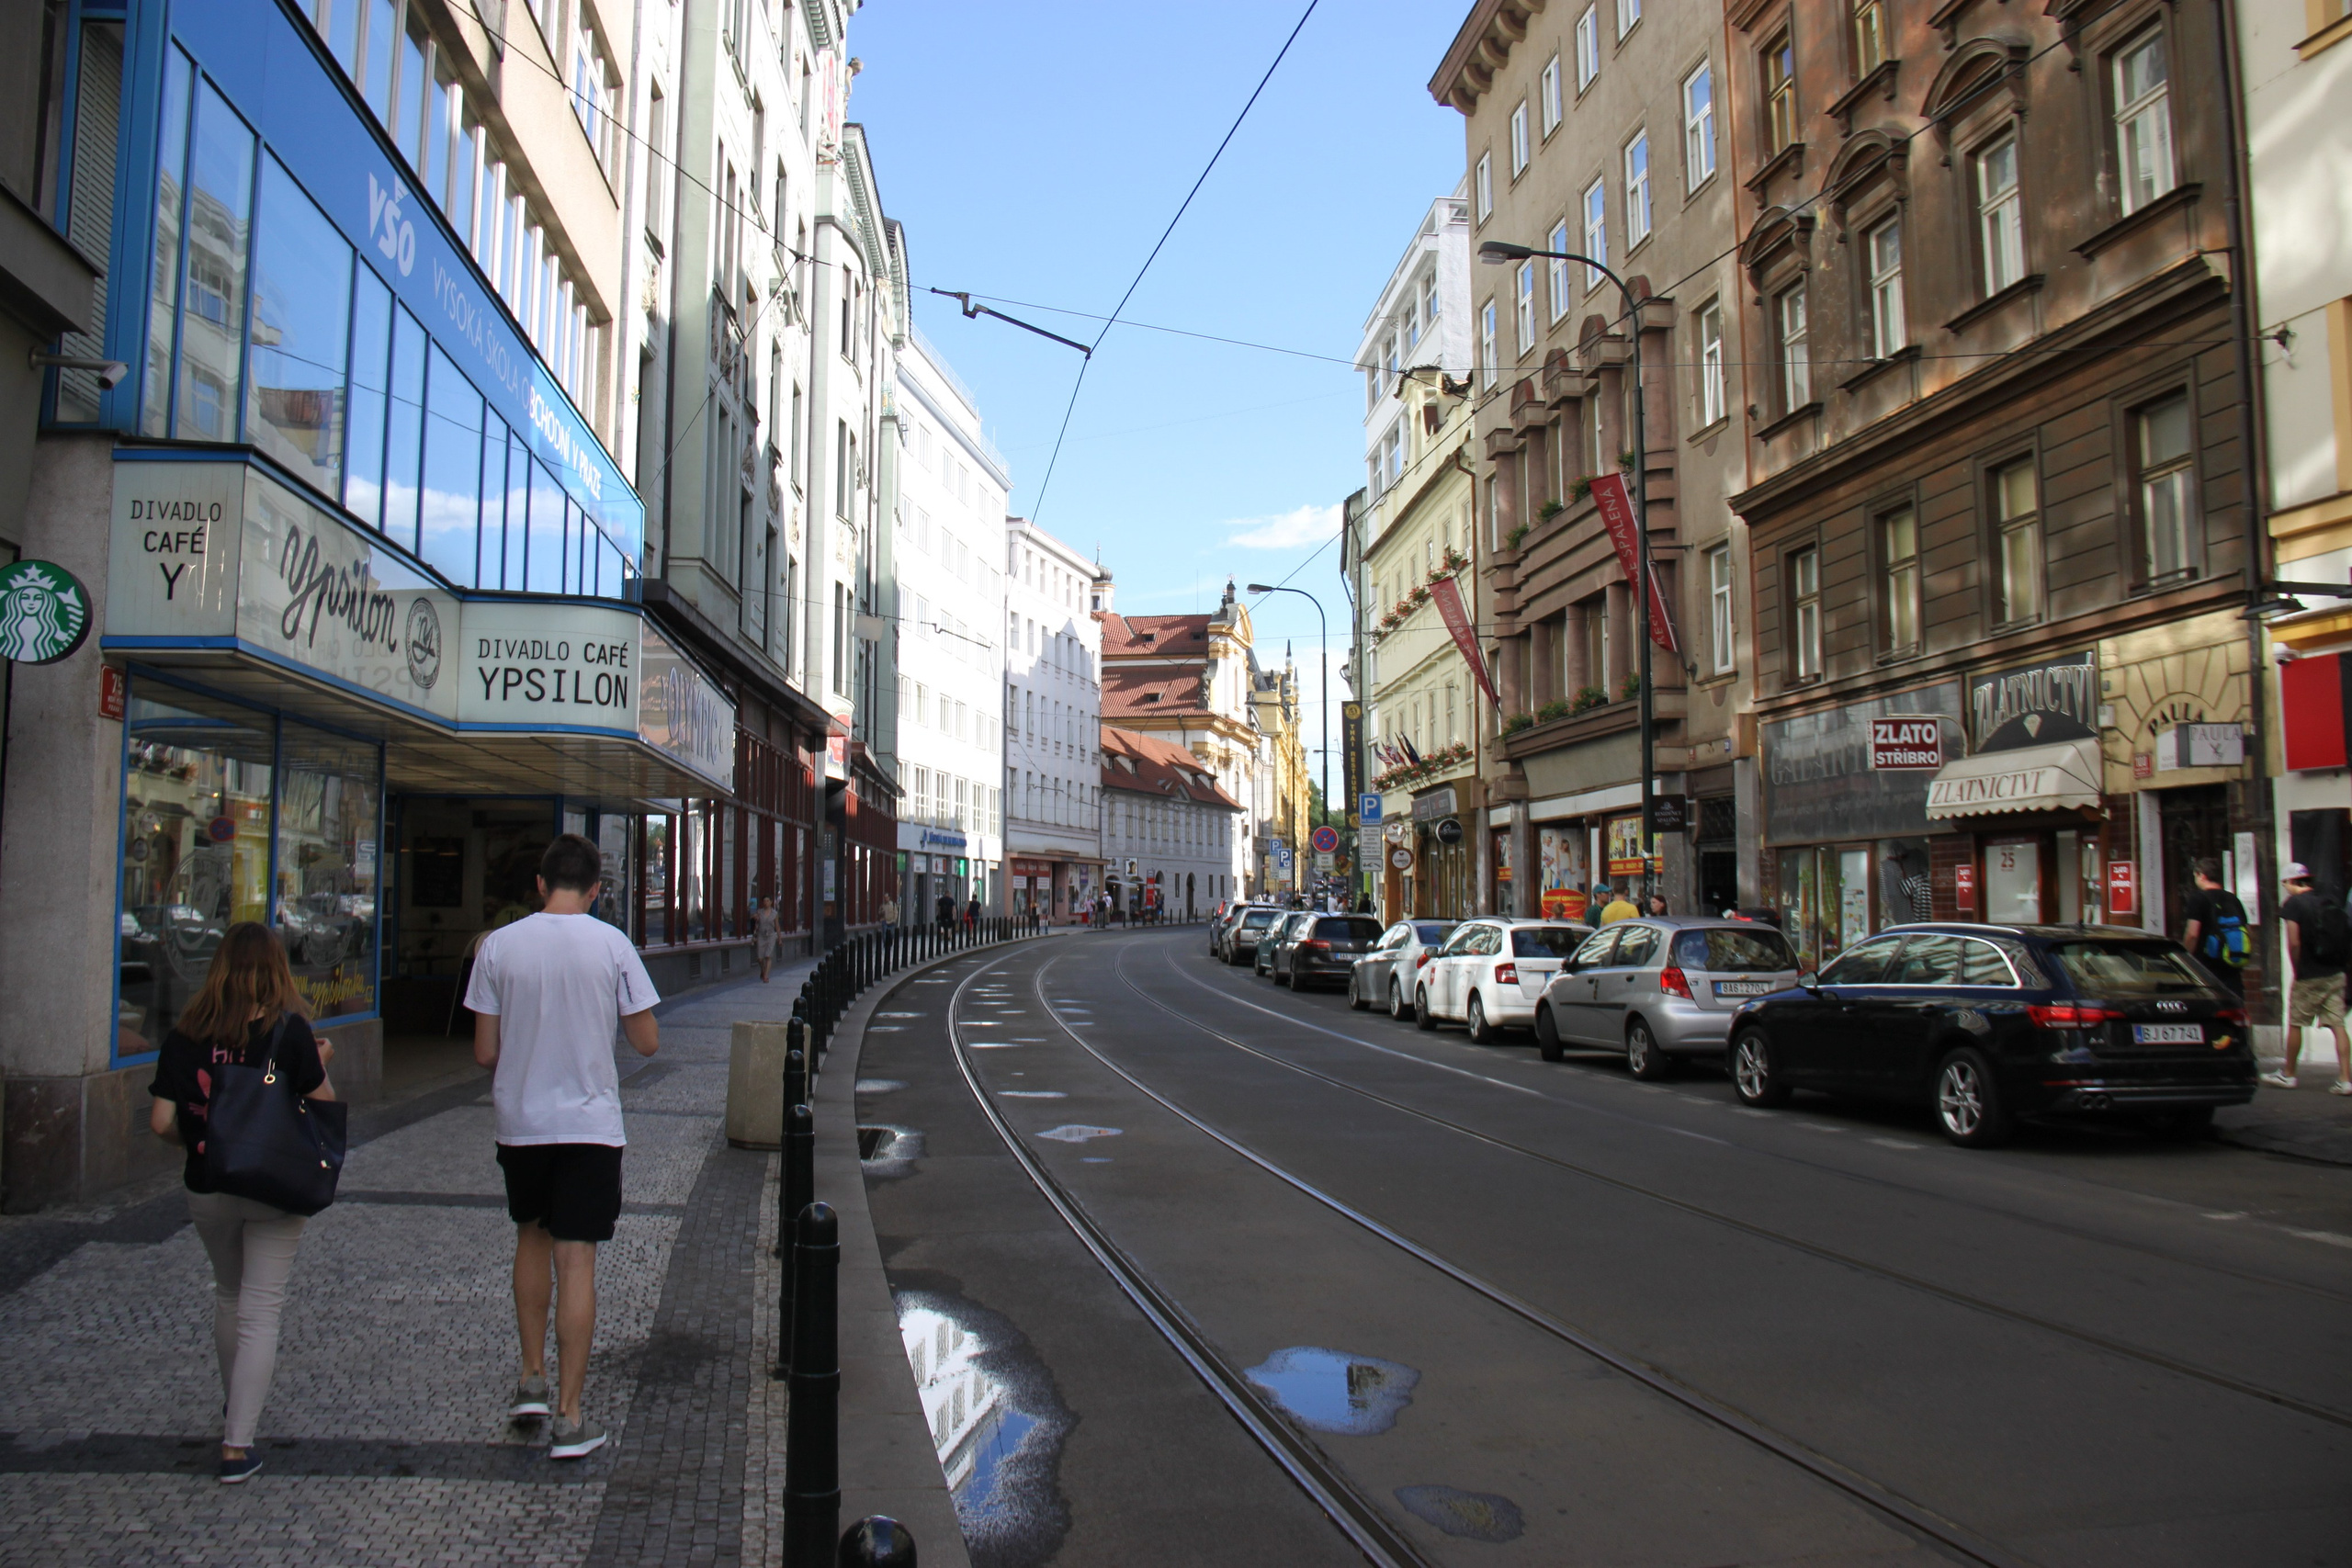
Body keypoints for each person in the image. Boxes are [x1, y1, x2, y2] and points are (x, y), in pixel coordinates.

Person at [467, 834, 662, 1459]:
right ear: (597, 888)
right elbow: (648, 1041)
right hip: (589, 1126)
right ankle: (572, 1417)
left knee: (531, 1235)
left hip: (521, 1121)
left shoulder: (499, 946)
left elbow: (485, 1051)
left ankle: (531, 1378)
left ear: (541, 882)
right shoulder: (613, 944)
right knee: (576, 1259)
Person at [148, 922, 337, 1483]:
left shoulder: (186, 1034)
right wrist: (319, 1061)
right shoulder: (290, 1032)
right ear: (278, 971)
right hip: (276, 1186)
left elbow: (161, 1120)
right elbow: (324, 1106)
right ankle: (238, 1444)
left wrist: (202, 1142)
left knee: (229, 1296)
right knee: (262, 1309)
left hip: (209, 1184)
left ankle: (236, 1407)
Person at [2267, 863, 2350, 1093]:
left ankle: (2289, 1074)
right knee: (2338, 1025)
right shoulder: (2328, 901)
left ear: (2291, 882)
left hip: (2309, 975)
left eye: (2285, 883)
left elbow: (2294, 942)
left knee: (2296, 1023)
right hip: (2335, 973)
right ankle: (2345, 1079)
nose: (2285, 888)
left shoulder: (2293, 905)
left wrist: (2297, 968)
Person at [2180, 857, 2249, 998]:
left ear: (2202, 876)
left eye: (2195, 876)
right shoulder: (2233, 899)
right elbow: (2246, 930)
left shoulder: (2198, 899)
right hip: (2232, 967)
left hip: (2206, 968)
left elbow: (2192, 934)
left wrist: (2185, 960)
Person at [753, 895, 781, 982]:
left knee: (768, 956)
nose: (766, 903)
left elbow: (777, 926)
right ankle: (763, 969)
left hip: (771, 936)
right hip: (761, 935)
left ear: (771, 902)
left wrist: (779, 938)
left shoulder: (774, 914)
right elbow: (752, 918)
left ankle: (766, 976)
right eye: (764, 901)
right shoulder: (760, 912)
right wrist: (754, 917)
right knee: (760, 958)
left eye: (768, 901)